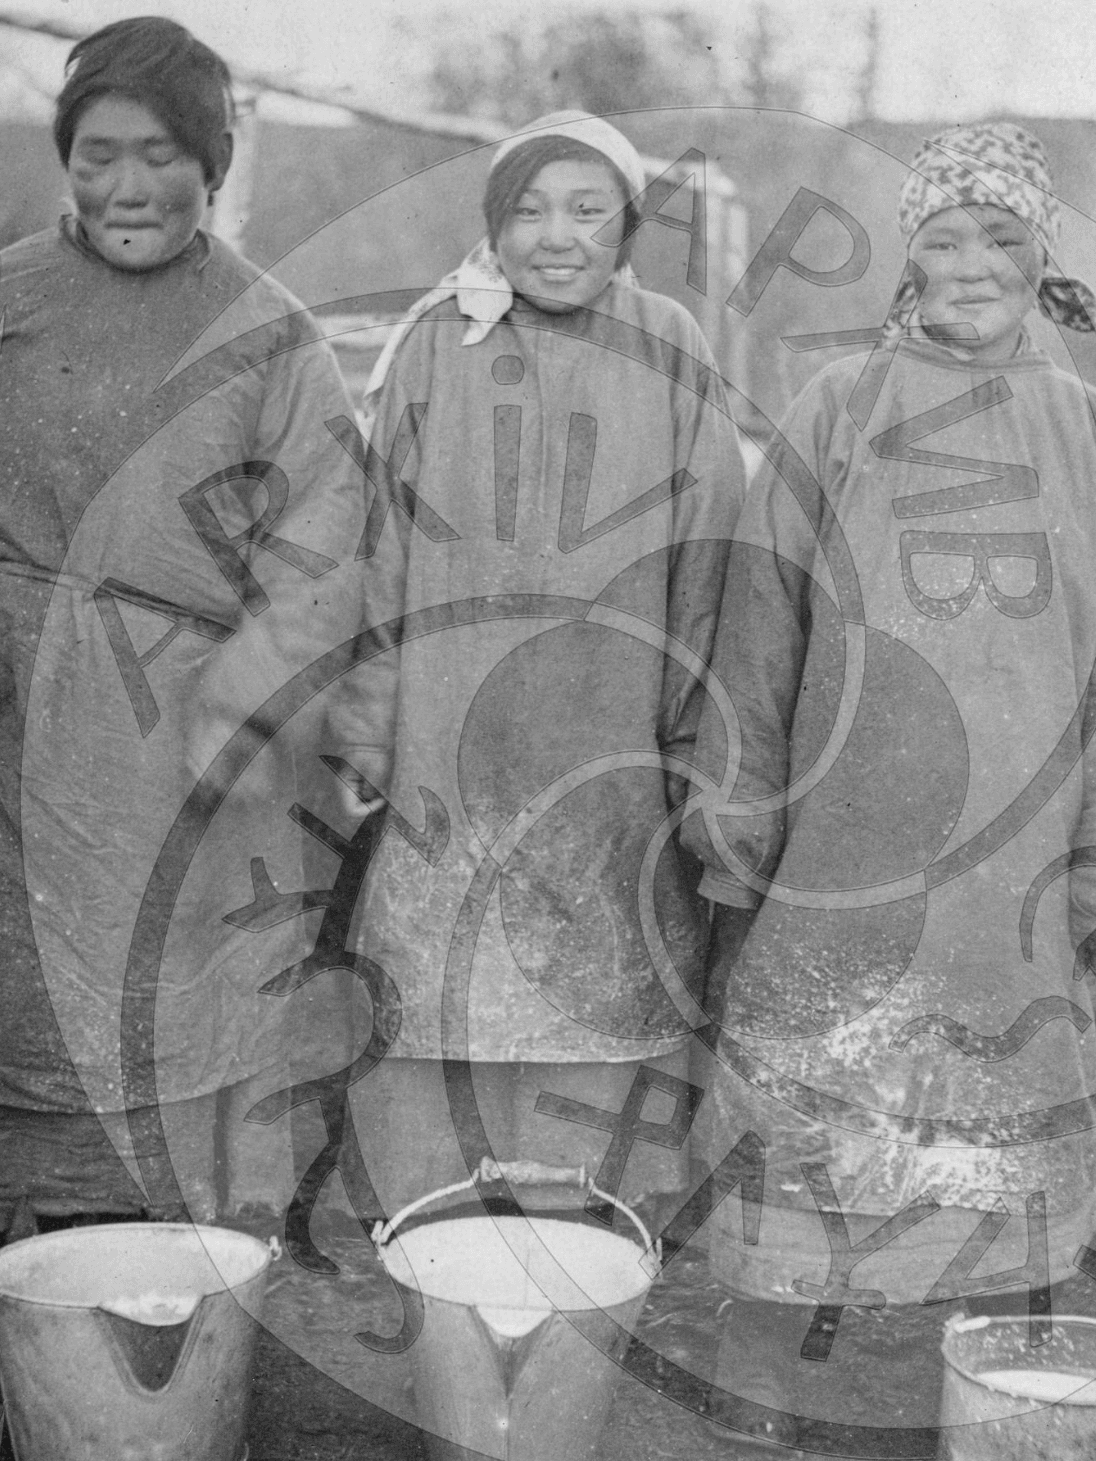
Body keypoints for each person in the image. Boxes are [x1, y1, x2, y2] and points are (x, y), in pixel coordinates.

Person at [0, 18, 380, 1268]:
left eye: (162, 156)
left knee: (135, 998)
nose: (128, 187)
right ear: (64, 160)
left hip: (162, 735)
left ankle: (116, 1267)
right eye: (98, 155)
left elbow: (323, 550)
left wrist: (244, 701)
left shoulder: (270, 334)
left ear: (212, 164)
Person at [684, 123, 1096, 1447]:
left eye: (1002, 238)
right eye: (945, 238)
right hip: (843, 847)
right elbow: (757, 634)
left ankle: (992, 1384)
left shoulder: (1090, 432)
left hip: (1016, 864)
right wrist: (735, 836)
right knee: (806, 1088)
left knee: (1007, 1108)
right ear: (908, 259)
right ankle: (764, 1365)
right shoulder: (836, 407)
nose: (973, 263)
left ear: (1043, 261)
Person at [342, 111, 745, 1220]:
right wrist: (369, 724)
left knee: (598, 988)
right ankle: (434, 1232)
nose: (556, 236)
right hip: (451, 733)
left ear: (627, 227)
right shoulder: (439, 342)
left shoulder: (669, 340)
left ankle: (583, 1233)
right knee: (440, 987)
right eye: (527, 211)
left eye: (586, 210)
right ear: (492, 226)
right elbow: (379, 543)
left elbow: (711, 548)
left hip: (607, 729)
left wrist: (687, 737)